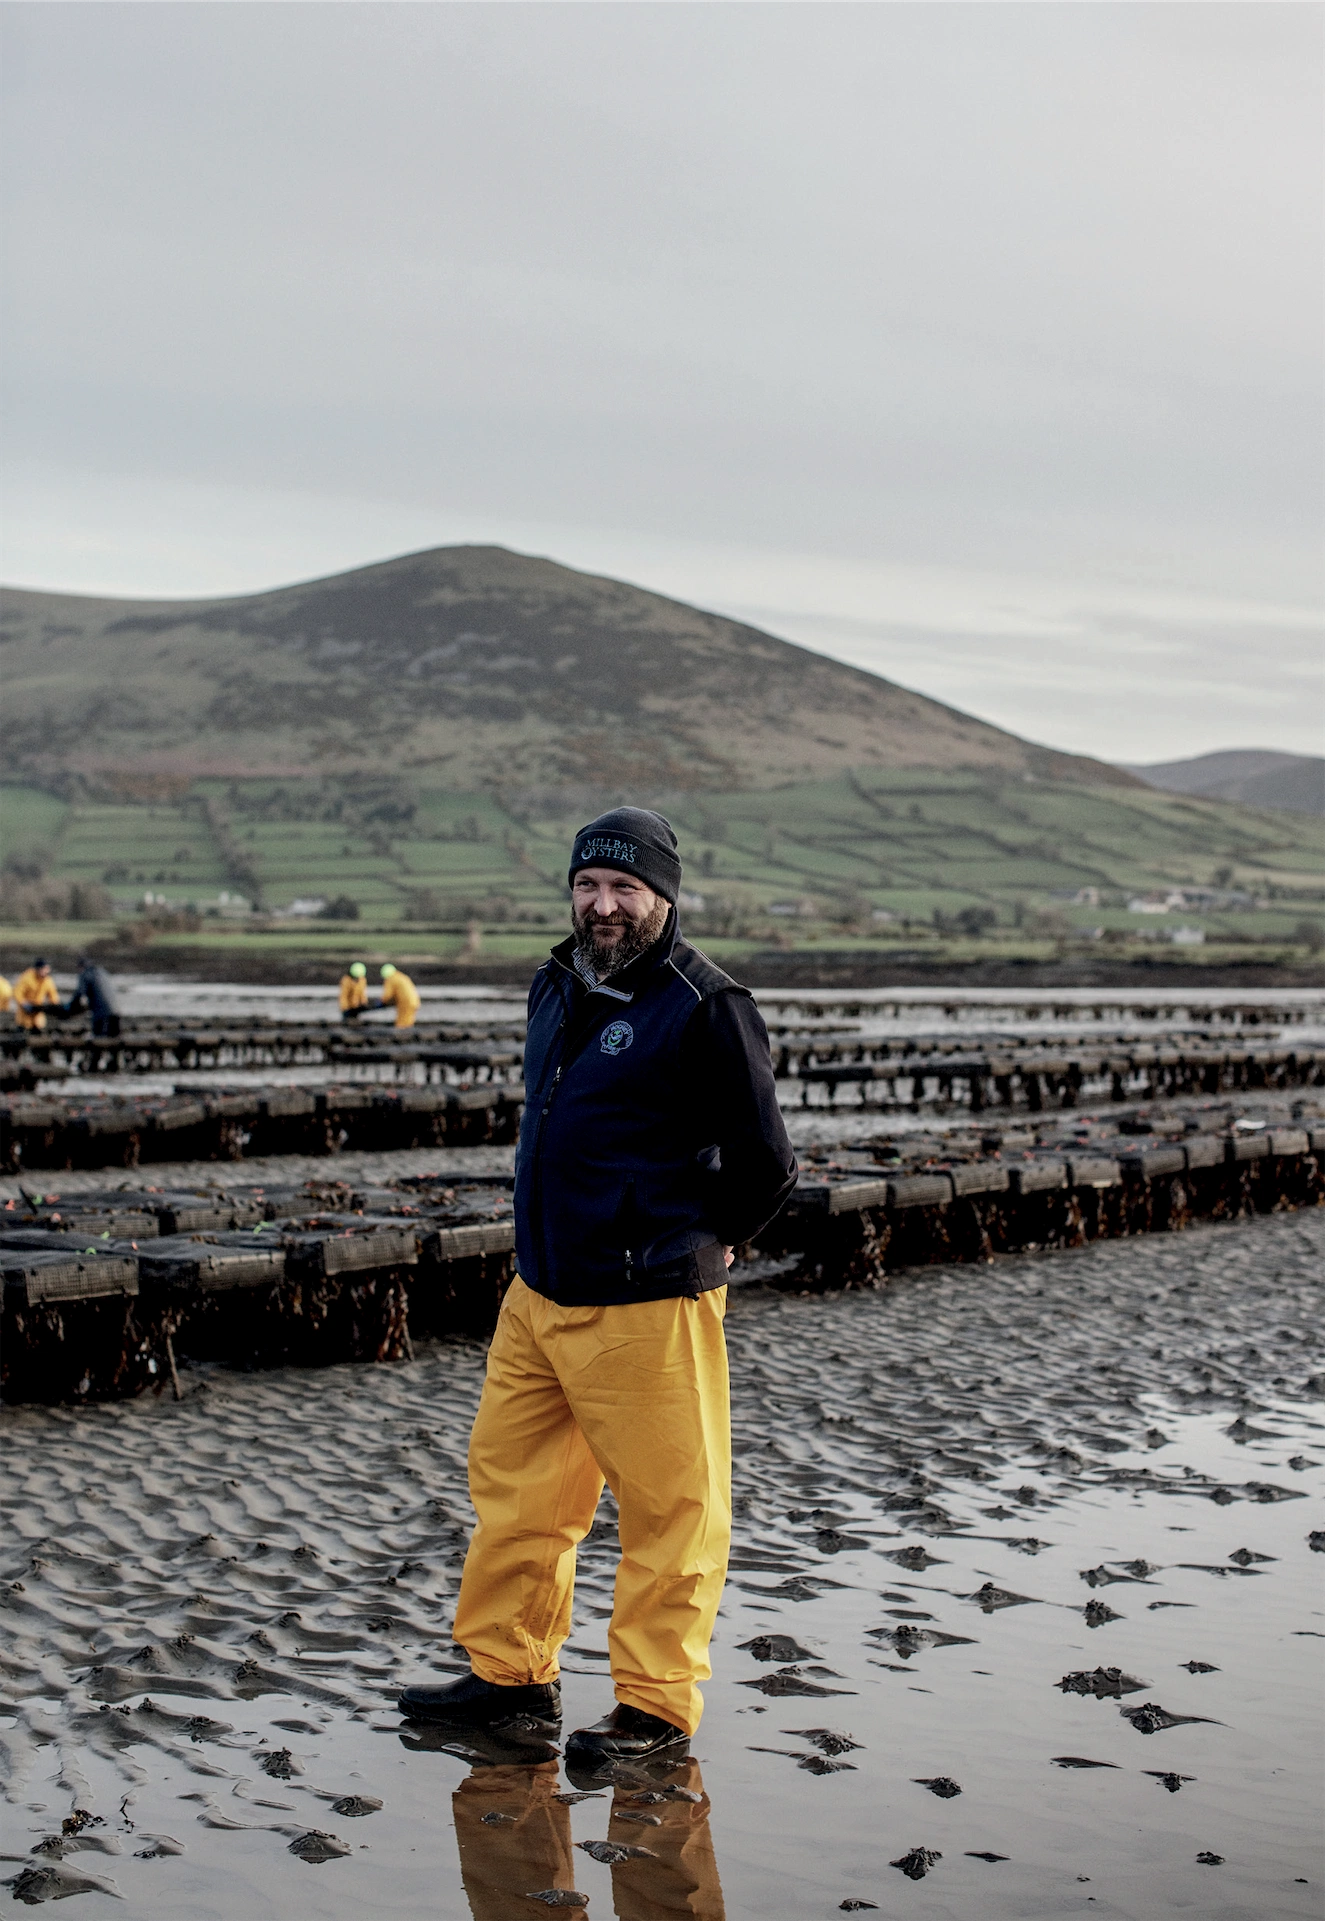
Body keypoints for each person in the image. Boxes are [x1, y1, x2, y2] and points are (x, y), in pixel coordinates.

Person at [399, 807, 797, 1766]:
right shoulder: (553, 980)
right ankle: (512, 1677)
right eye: (588, 885)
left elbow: (767, 1162)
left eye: (625, 888)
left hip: (647, 1300)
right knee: (518, 1494)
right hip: (538, 1292)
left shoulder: (707, 1004)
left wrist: (719, 1239)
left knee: (671, 1507)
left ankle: (655, 1711)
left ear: (663, 895)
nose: (604, 904)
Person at [64, 957, 121, 1039]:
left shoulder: (85, 974)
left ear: (81, 967)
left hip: (101, 1013)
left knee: (98, 1039)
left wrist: (69, 1008)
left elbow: (80, 994)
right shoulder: (103, 972)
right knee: (114, 1040)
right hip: (116, 1011)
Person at [14, 958, 60, 1032]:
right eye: (44, 969)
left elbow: (53, 996)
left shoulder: (48, 980)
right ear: (38, 969)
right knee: (22, 1030)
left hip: (37, 1012)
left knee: (38, 1031)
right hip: (25, 1013)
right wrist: (23, 1003)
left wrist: (56, 1006)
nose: (46, 972)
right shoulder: (26, 978)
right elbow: (17, 992)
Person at [379, 961, 421, 1028]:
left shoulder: (391, 979)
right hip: (414, 1002)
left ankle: (401, 1036)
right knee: (408, 1023)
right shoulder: (401, 977)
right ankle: (407, 1036)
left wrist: (382, 1002)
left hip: (405, 1003)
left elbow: (387, 996)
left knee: (401, 1024)